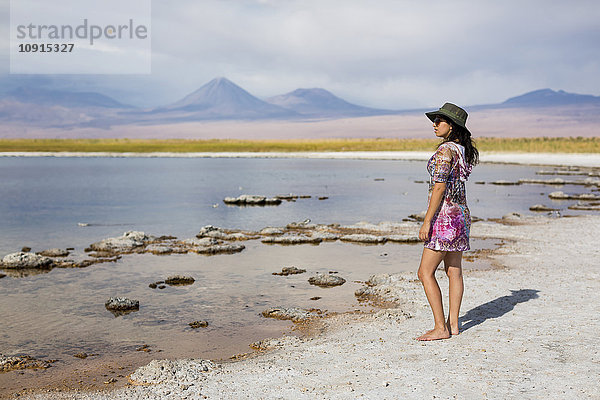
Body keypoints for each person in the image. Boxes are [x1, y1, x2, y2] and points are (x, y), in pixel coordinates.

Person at [416, 102, 479, 341]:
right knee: (454, 271)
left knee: (424, 272)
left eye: (439, 121)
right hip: (461, 215)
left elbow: (440, 187)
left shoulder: (445, 152)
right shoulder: (462, 150)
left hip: (445, 218)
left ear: (452, 126)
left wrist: (426, 221)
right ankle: (453, 325)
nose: (434, 124)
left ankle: (440, 327)